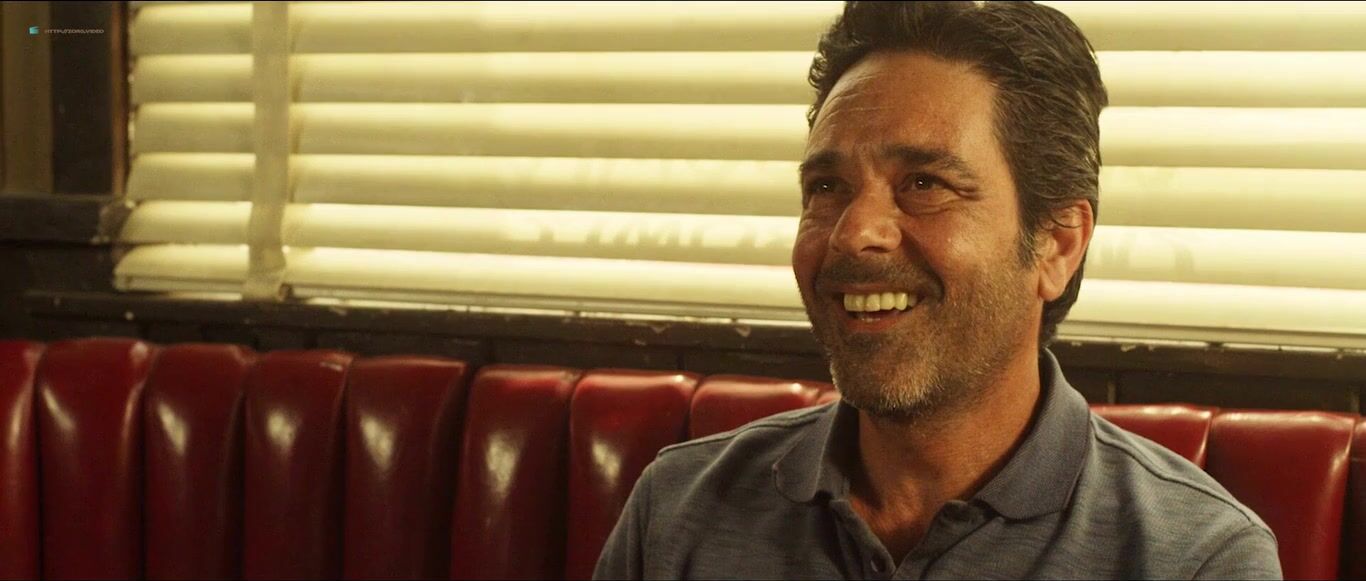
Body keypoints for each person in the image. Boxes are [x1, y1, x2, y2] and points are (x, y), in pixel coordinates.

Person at [593, 1, 1282, 579]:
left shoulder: (1197, 558)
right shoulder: (677, 511)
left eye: (924, 183)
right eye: (827, 187)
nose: (854, 233)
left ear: (1057, 244)